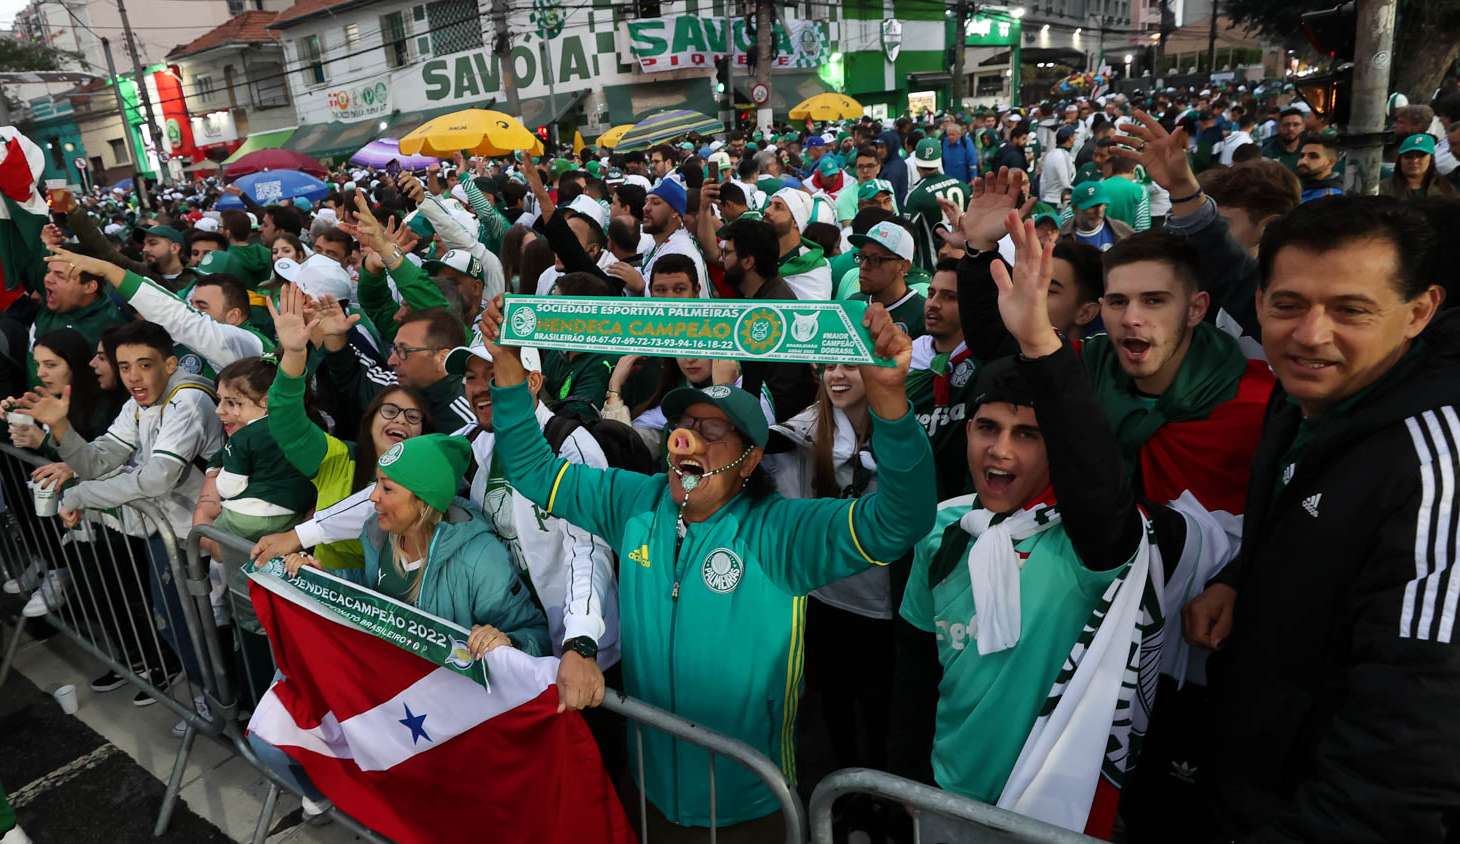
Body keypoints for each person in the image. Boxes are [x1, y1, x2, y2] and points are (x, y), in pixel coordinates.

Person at [478, 292, 936, 839]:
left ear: (751, 460)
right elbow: (533, 469)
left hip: (751, 803)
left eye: (714, 432)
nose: (686, 439)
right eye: (685, 423)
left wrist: (888, 403)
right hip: (650, 792)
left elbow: (900, 520)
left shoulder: (781, 532)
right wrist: (507, 368)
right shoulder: (635, 502)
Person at [900, 212, 1213, 837]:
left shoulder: (1091, 546)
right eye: (987, 428)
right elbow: (912, 680)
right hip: (943, 797)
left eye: (1029, 435)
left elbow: (1097, 488)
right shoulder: (942, 531)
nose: (1001, 452)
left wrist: (1041, 341)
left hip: (1047, 812)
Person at [1181, 196, 1460, 842]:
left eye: (1350, 310)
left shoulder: (1435, 469)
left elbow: (1409, 749)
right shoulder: (1310, 390)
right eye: (1289, 305)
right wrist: (1241, 578)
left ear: (1420, 312)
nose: (1311, 334)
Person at [248, 432, 551, 821]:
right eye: (377, 484)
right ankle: (345, 804)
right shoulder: (378, 534)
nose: (373, 497)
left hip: (446, 726)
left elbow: (536, 637)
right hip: (383, 705)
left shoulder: (479, 557)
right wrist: (324, 579)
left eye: (386, 488)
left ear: (422, 500)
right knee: (272, 741)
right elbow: (372, 591)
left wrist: (506, 640)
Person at [717, 218, 818, 422]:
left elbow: (781, 395)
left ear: (748, 261)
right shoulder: (761, 298)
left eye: (727, 253)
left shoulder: (776, 312)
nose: (721, 260)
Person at [903, 138, 971, 274]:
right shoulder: (962, 186)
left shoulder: (916, 195)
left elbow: (906, 234)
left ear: (916, 162)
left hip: (932, 267)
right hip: (965, 259)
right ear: (939, 159)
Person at [852, 220, 925, 337]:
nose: (863, 266)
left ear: (903, 266)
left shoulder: (923, 315)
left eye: (875, 259)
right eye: (861, 257)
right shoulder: (853, 304)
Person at [765, 187, 833, 300]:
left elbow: (814, 313)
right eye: (769, 205)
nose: (767, 211)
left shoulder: (815, 267)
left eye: (778, 207)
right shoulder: (756, 255)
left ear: (795, 221)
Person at [1059, 181, 1133, 251]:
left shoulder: (1123, 231)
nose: (1099, 211)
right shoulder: (1060, 238)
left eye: (1102, 205)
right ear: (1074, 208)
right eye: (1092, 206)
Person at [1382, 133, 1456, 200]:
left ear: (1431, 158)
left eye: (1421, 155)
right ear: (1400, 159)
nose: (1414, 161)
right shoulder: (1382, 188)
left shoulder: (1446, 189)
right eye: (1408, 156)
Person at [1295, 133, 1345, 203]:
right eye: (1302, 156)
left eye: (1313, 156)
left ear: (1331, 163)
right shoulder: (1294, 187)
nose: (1303, 161)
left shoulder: (1330, 198)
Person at [1039, 126, 1078, 205]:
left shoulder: (1050, 154)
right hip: (1058, 202)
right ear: (1070, 138)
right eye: (1074, 136)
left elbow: (1042, 180)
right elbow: (1066, 184)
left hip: (1046, 199)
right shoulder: (1064, 156)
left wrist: (1042, 197)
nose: (1075, 139)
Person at [1261, 107, 1306, 172]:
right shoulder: (1267, 152)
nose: (1291, 128)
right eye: (1286, 125)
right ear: (1278, 127)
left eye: (1296, 125)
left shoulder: (1309, 148)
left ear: (1303, 127)